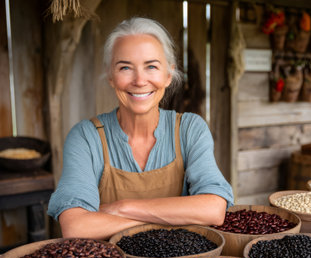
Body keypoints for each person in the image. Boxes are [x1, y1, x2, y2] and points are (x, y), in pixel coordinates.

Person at [48, 17, 233, 240]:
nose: (139, 80)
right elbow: (76, 227)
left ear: (168, 75)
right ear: (110, 76)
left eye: (151, 66)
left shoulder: (189, 129)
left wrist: (122, 207)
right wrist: (166, 221)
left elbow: (213, 209)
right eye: (125, 67)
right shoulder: (86, 137)